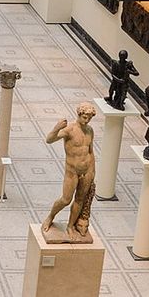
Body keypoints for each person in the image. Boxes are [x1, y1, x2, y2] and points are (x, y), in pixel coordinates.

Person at [42, 102, 97, 241]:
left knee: (79, 199)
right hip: (72, 171)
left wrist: (92, 171)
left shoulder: (90, 130)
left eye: (89, 117)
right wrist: (56, 128)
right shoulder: (69, 130)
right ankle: (50, 217)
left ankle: (70, 226)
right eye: (85, 117)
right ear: (79, 114)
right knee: (66, 200)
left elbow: (91, 152)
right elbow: (49, 140)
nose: (87, 120)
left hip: (87, 171)